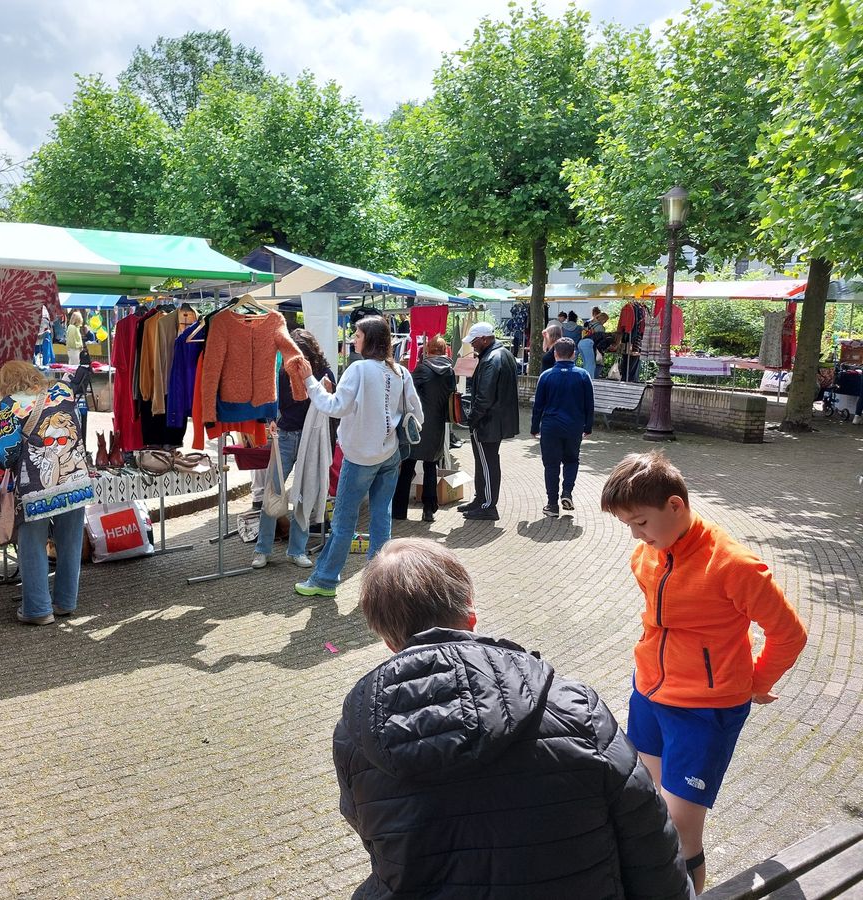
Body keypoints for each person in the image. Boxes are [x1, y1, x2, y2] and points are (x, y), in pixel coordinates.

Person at [335, 538, 695, 900]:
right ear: (470, 614)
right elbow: (649, 844)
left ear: (388, 640)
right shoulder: (575, 709)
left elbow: (369, 832)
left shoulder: (356, 736)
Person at [601, 452, 809, 893]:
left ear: (675, 505)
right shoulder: (647, 555)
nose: (636, 535)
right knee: (648, 806)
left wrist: (755, 682)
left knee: (681, 827)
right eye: (629, 526)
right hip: (649, 698)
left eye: (640, 522)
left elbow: (789, 634)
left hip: (705, 711)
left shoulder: (734, 565)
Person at [290, 316, 422, 598]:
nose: (353, 339)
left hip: (361, 454)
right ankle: (380, 585)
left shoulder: (359, 369)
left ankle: (324, 579)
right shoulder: (400, 372)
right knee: (380, 519)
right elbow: (417, 414)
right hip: (390, 453)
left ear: (370, 339)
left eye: (357, 335)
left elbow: (334, 407)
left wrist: (309, 381)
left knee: (343, 521)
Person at [0, 361, 94, 625]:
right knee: (71, 542)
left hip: (36, 488)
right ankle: (65, 603)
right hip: (75, 481)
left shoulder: (9, 405)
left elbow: (7, 452)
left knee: (32, 545)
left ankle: (38, 610)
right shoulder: (63, 390)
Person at [252, 329, 335, 569]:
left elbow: (333, 406)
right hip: (286, 436)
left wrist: (329, 391)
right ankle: (262, 549)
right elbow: (271, 399)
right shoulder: (283, 371)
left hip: (312, 439)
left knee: (305, 493)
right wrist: (271, 420)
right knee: (273, 492)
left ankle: (296, 550)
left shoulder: (323, 373)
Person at [458, 322, 518, 520]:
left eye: (474, 342)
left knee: (488, 463)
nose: (472, 346)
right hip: (494, 420)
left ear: (484, 339)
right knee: (484, 462)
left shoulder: (492, 359)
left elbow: (484, 397)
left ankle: (488, 505)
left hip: (488, 422)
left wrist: (472, 419)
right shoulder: (502, 354)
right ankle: (481, 499)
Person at [393, 334, 455, 524]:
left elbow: (408, 392)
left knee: (407, 466)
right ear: (444, 350)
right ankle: (428, 510)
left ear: (428, 350)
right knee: (431, 467)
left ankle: (399, 510)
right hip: (437, 425)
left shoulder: (422, 369)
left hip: (418, 424)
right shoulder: (450, 371)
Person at [530, 337, 593, 518]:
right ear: (574, 354)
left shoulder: (546, 375)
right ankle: (567, 492)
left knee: (551, 465)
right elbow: (589, 404)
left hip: (550, 427)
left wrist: (535, 427)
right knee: (572, 460)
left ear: (555, 354)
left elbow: (538, 406)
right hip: (574, 426)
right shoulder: (583, 375)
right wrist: (588, 426)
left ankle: (552, 504)